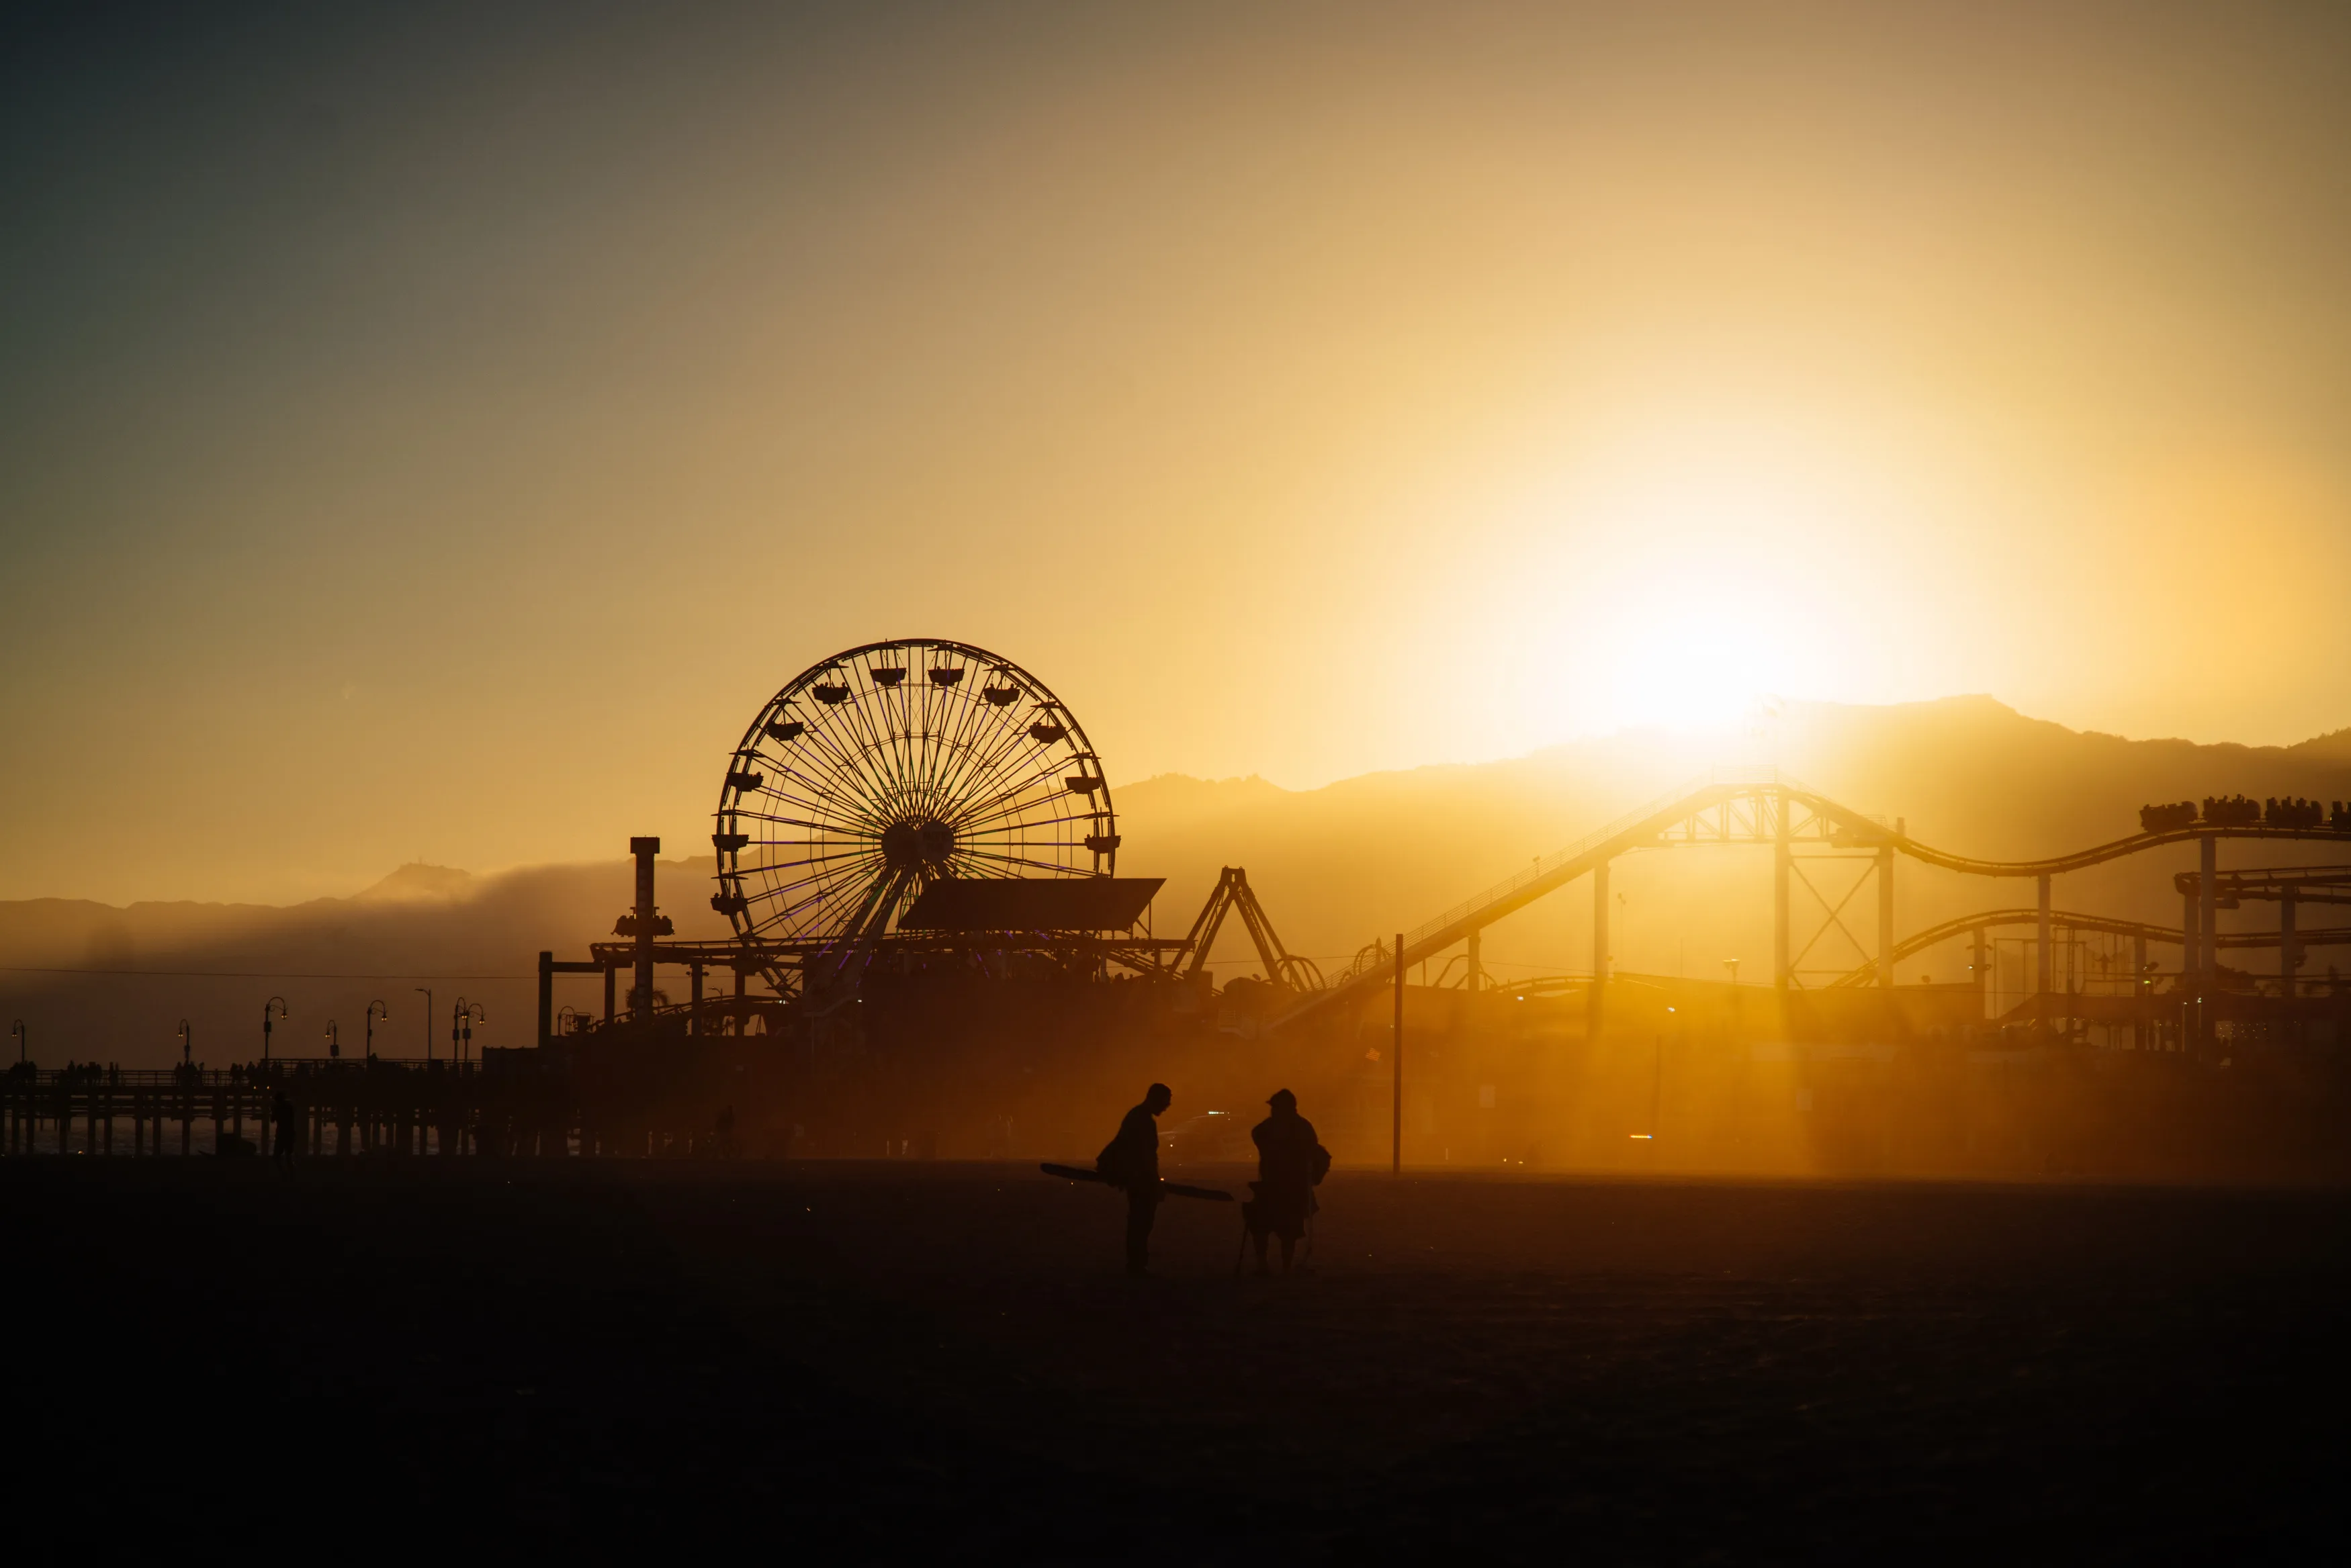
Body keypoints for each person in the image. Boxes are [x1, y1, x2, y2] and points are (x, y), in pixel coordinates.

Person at [1246, 1089, 1329, 1276]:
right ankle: (1270, 1266)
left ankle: (1279, 1267)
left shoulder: (1294, 1128)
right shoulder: (1297, 1127)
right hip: (1278, 1185)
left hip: (1290, 1186)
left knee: (1285, 1230)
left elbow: (1316, 1155)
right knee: (1264, 1227)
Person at [1098, 1082, 1171, 1276]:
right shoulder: (1143, 1120)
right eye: (1166, 1102)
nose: (1167, 1106)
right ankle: (1137, 1264)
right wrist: (1154, 1183)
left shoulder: (1137, 1116)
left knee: (1140, 1220)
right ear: (1156, 1099)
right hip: (1140, 1179)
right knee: (1141, 1220)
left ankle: (1137, 1262)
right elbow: (1145, 1157)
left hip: (1137, 1177)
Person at [271, 1089, 298, 1171]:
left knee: (276, 1156)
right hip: (290, 1133)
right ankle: (292, 1171)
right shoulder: (289, 1107)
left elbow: (272, 1120)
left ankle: (283, 1172)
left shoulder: (277, 1108)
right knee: (288, 1156)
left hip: (281, 1133)